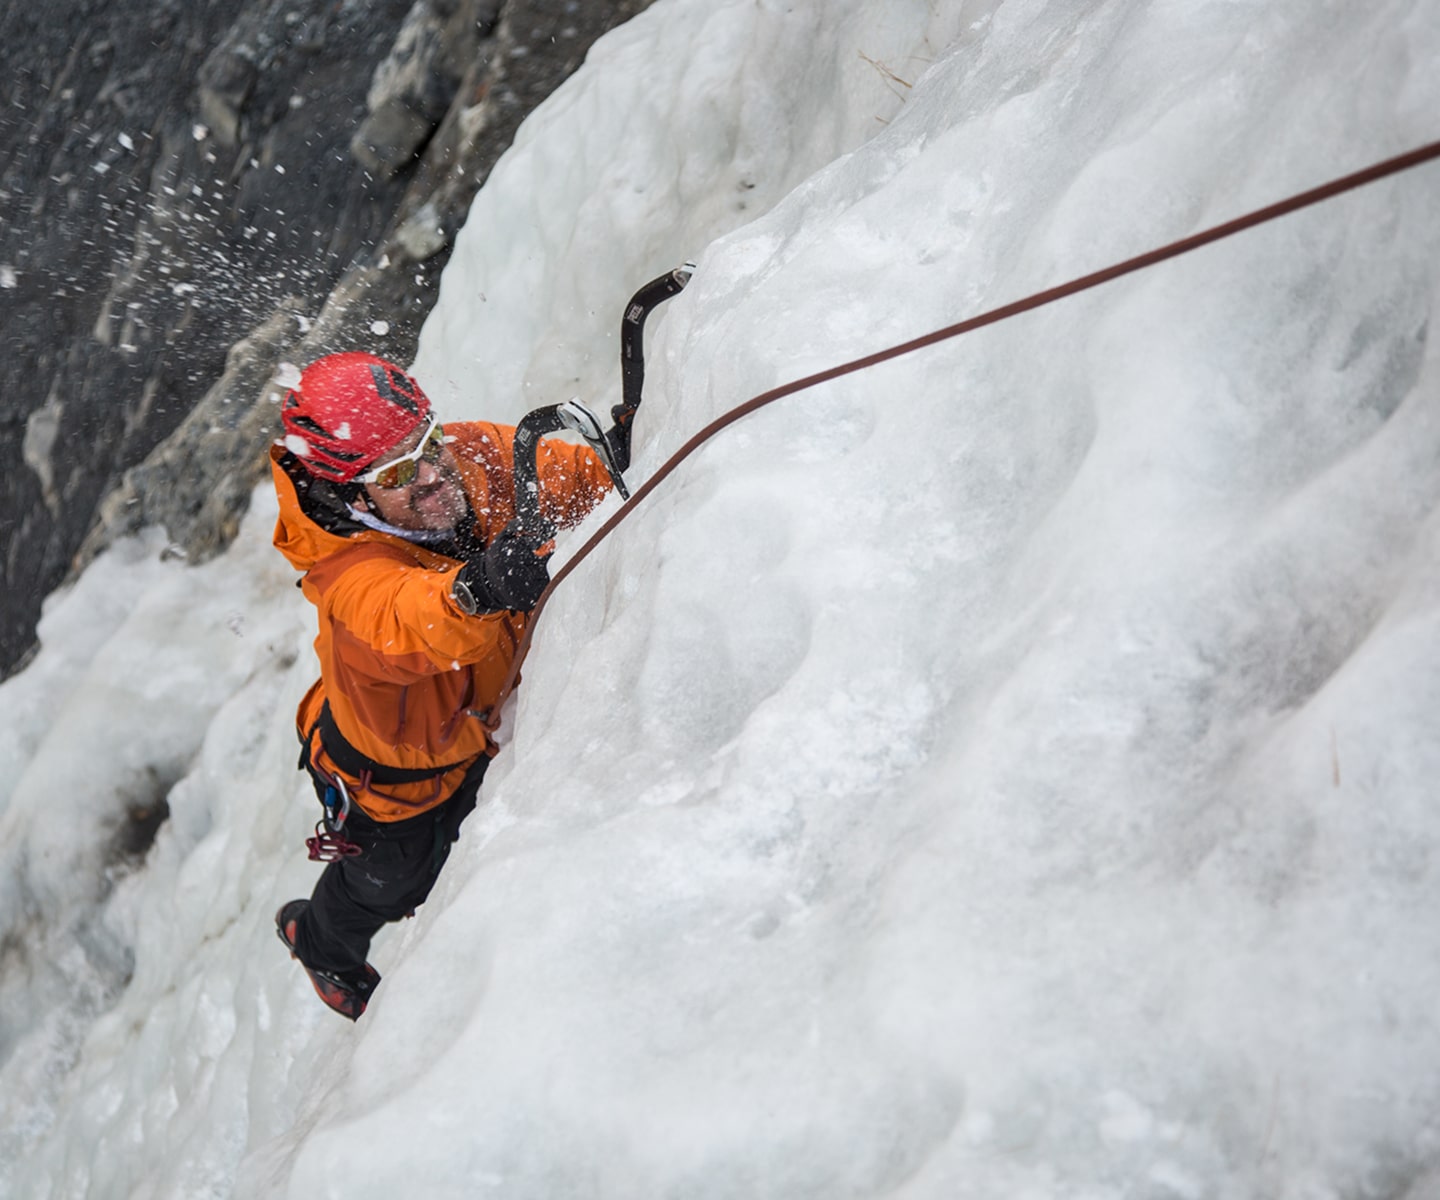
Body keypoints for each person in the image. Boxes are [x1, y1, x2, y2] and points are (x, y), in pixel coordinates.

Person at [269, 351, 612, 1019]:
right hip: (389, 787)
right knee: (393, 885)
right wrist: (475, 589)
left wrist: (624, 452)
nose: (430, 474)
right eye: (398, 472)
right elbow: (409, 615)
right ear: (350, 493)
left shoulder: (465, 460)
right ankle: (319, 942)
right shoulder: (350, 582)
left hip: (467, 734)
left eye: (427, 441)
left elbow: (566, 479)